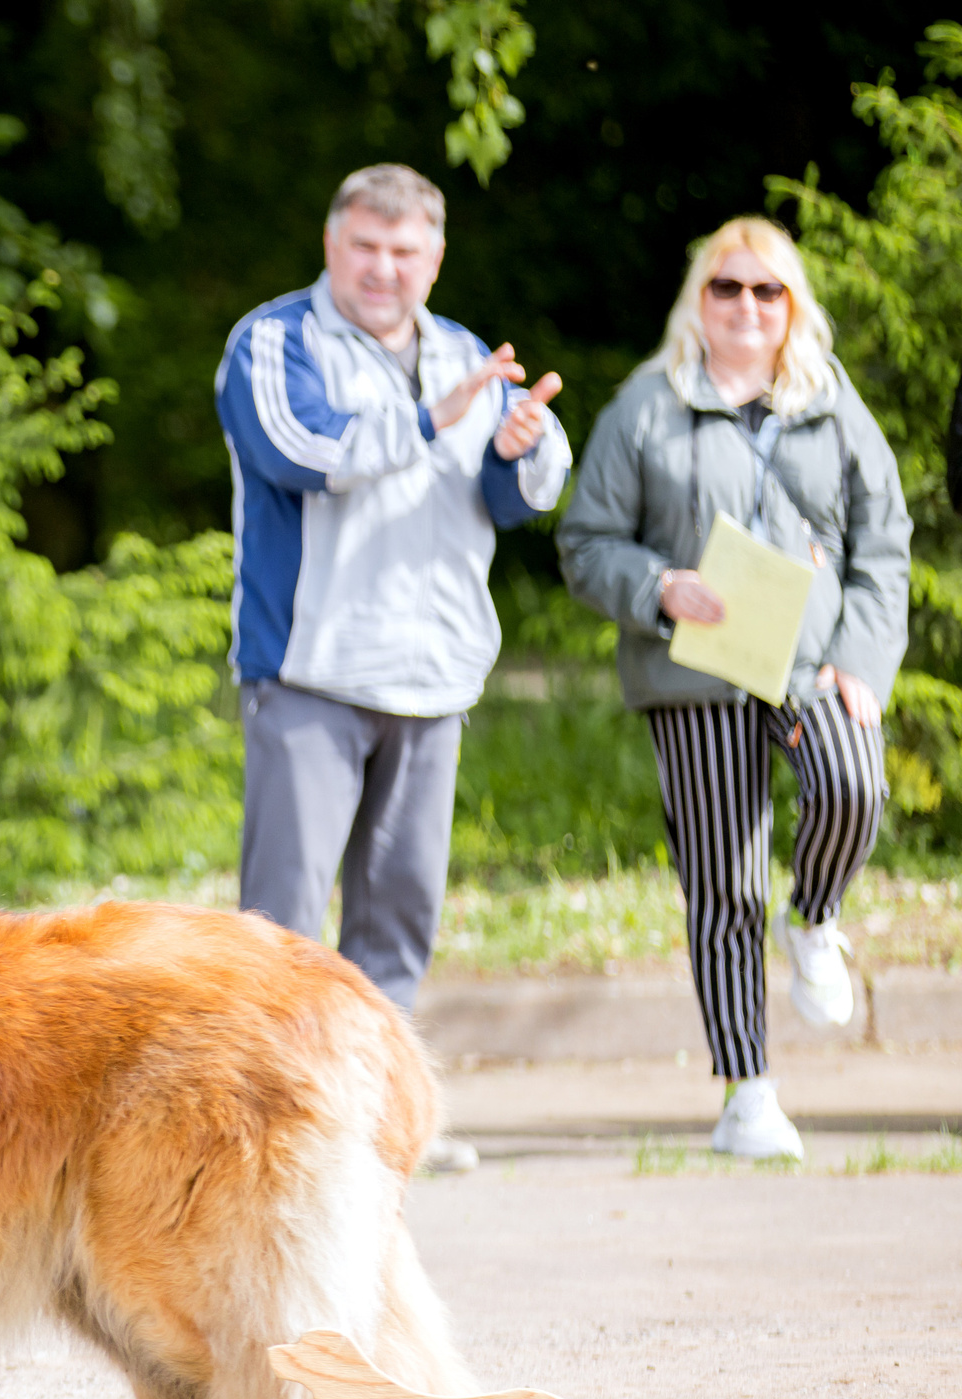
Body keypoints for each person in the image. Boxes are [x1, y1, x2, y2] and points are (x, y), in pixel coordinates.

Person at [214, 162, 571, 1175]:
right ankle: (265, 1125)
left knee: (399, 913)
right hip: (311, 673)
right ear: (333, 245)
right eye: (365, 247)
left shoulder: (465, 352)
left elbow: (517, 499)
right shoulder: (271, 342)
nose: (383, 269)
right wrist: (428, 418)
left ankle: (375, 1127)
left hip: (433, 676)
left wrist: (517, 441)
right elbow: (297, 452)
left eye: (404, 252)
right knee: (282, 920)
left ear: (434, 257)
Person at [559, 217, 910, 1161]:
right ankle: (747, 1090)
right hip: (696, 673)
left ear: (793, 305)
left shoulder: (831, 406)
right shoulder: (646, 404)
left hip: (811, 666)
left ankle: (817, 919)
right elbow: (585, 544)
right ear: (697, 301)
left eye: (768, 291)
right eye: (727, 288)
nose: (747, 306)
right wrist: (660, 587)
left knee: (853, 789)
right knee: (725, 883)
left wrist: (862, 664)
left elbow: (883, 546)